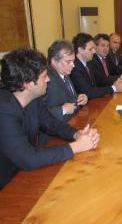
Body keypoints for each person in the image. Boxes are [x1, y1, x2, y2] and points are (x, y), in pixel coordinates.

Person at [0, 48, 100, 189]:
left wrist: (76, 134)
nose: (48, 79)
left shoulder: (32, 98)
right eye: (44, 76)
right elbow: (27, 158)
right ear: (28, 84)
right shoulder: (3, 110)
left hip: (23, 173)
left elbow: (51, 123)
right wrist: (76, 146)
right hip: (6, 185)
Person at [70, 33, 122, 99]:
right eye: (90, 49)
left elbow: (100, 79)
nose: (94, 51)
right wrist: (114, 88)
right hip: (85, 106)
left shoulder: (89, 62)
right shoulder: (74, 68)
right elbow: (89, 92)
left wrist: (117, 81)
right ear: (80, 50)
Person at [45, 40, 88, 122]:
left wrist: (81, 98)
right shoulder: (46, 80)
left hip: (74, 121)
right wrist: (62, 110)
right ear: (54, 61)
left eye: (73, 61)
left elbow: (68, 97)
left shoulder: (64, 73)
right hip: (56, 130)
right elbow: (38, 113)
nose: (73, 65)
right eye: (68, 62)